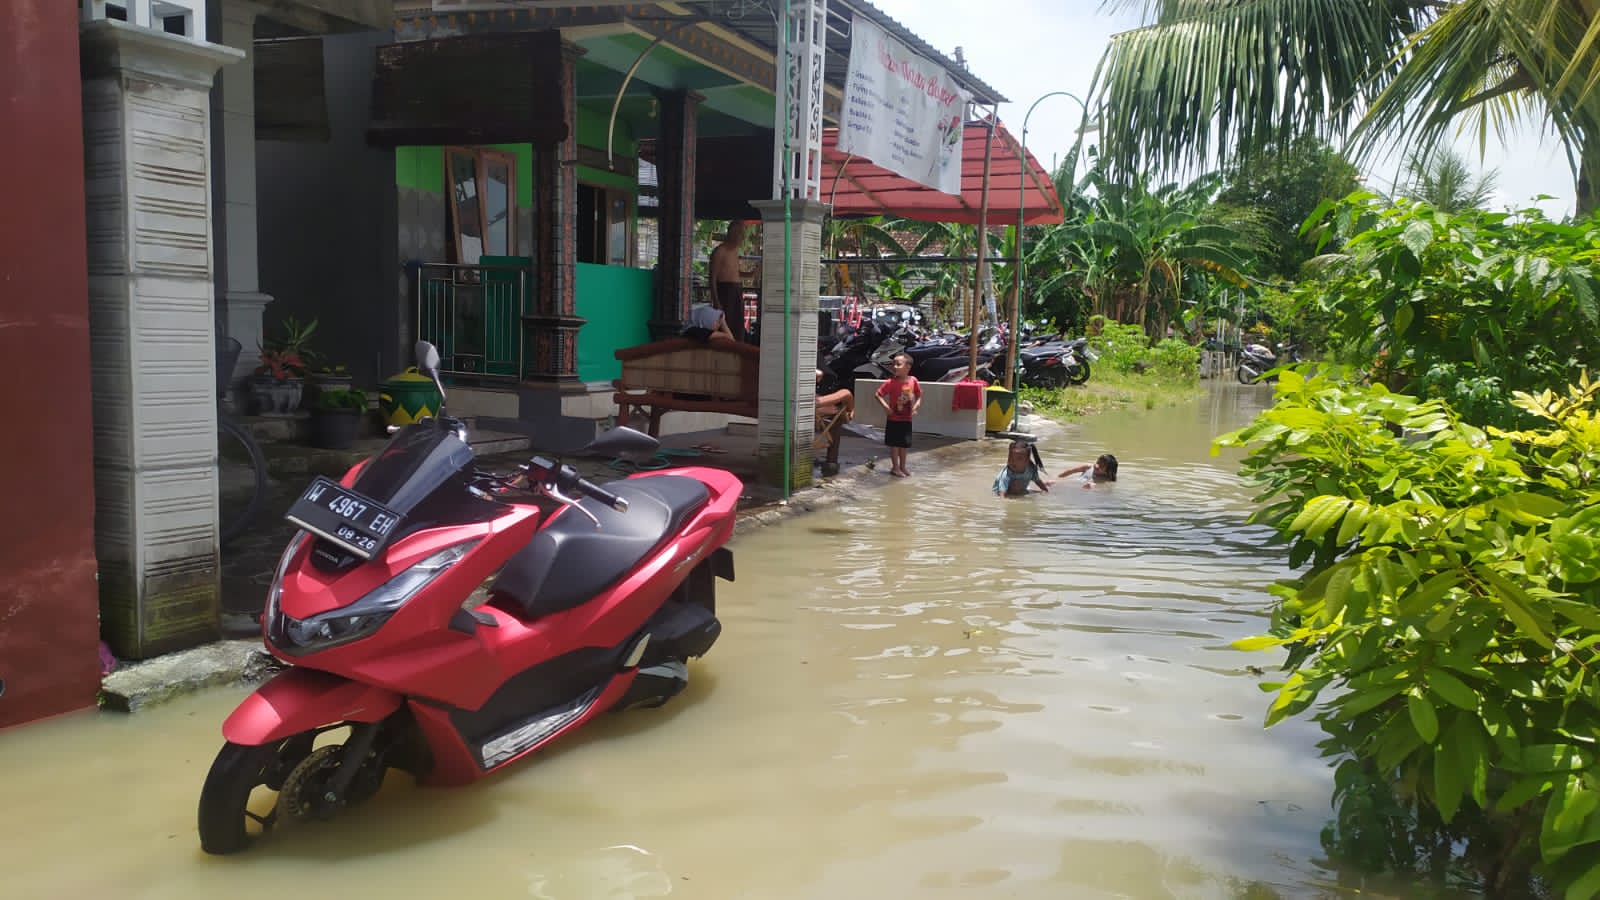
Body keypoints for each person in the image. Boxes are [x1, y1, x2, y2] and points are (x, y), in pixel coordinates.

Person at [874, 351, 921, 477]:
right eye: (893, 364)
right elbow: (878, 394)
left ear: (908, 367)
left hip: (907, 418)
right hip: (893, 418)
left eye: (898, 364)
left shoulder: (913, 380)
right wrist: (886, 407)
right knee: (894, 444)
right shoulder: (890, 382)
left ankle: (903, 467)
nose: (894, 367)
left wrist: (917, 405)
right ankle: (895, 467)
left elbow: (919, 394)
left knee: (904, 445)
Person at [709, 221, 749, 342]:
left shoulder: (735, 251)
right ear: (732, 233)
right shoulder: (720, 251)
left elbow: (736, 272)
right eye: (740, 233)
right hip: (725, 292)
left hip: (736, 291)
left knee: (738, 326)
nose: (742, 237)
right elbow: (712, 278)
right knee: (726, 325)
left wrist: (751, 274)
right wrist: (716, 300)